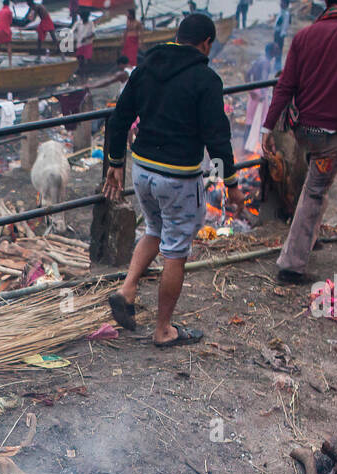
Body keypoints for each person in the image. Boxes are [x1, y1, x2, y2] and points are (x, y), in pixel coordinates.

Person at [102, 14, 242, 346]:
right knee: (175, 252)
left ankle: (127, 288)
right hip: (177, 178)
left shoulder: (146, 67)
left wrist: (116, 163)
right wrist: (232, 185)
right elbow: (217, 139)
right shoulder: (206, 79)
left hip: (143, 171)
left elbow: (119, 117)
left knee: (153, 229)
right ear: (206, 43)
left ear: (178, 37)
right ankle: (164, 330)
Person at [262, 0, 337, 283]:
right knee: (315, 191)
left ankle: (309, 238)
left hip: (302, 131)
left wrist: (267, 126)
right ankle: (291, 265)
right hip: (330, 135)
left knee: (314, 185)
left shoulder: (303, 36)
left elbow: (285, 85)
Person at [244, 42, 280, 152]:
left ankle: (246, 147)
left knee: (250, 120)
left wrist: (250, 91)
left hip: (255, 92)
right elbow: (264, 81)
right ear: (271, 52)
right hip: (260, 94)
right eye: (276, 50)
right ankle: (251, 147)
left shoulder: (260, 60)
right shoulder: (266, 63)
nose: (278, 52)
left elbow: (247, 74)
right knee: (259, 121)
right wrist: (262, 95)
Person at [0, 0, 15, 66]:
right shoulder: (9, 11)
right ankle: (10, 63)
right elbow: (10, 22)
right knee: (8, 45)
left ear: (3, 4)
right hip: (5, 30)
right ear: (8, 4)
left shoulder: (0, 11)